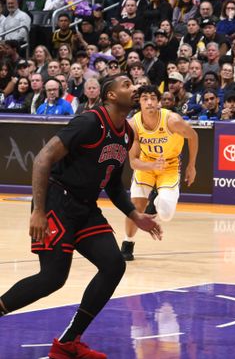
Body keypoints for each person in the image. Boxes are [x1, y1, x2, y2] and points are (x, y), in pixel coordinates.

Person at [0, 75, 161, 359]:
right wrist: (39, 210)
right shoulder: (89, 123)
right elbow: (42, 159)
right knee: (52, 278)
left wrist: (136, 215)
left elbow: (112, 185)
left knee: (113, 265)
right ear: (110, 96)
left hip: (85, 207)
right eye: (126, 84)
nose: (134, 88)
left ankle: (67, 343)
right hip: (56, 201)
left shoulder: (128, 134)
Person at [121, 85, 198, 261]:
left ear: (158, 102)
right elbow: (133, 162)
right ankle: (128, 243)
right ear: (138, 103)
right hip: (146, 165)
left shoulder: (172, 120)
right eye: (144, 99)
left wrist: (191, 166)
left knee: (166, 215)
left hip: (169, 165)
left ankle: (157, 200)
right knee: (135, 207)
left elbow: (193, 136)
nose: (149, 102)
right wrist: (152, 166)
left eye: (153, 98)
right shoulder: (133, 124)